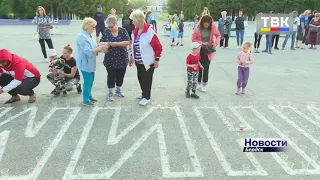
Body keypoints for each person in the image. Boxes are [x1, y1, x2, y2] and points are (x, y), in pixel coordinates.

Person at [128, 10, 163, 106]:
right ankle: (144, 93)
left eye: (133, 20)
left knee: (147, 79)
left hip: (148, 61)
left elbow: (158, 46)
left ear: (139, 20)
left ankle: (146, 97)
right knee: (140, 78)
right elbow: (133, 45)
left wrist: (157, 59)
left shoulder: (149, 31)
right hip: (138, 61)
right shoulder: (135, 31)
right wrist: (131, 56)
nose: (132, 22)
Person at [76, 17, 105, 106]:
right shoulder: (81, 36)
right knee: (88, 80)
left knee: (91, 80)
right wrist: (99, 48)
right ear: (87, 26)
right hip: (85, 62)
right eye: (93, 26)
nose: (94, 28)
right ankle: (85, 99)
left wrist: (100, 47)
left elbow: (93, 47)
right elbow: (88, 50)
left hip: (90, 62)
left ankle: (89, 96)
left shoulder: (88, 35)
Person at [100, 17, 130, 101]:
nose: (110, 28)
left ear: (116, 24)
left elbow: (127, 42)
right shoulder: (106, 32)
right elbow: (101, 42)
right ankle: (110, 92)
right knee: (111, 76)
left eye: (111, 27)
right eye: (108, 27)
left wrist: (116, 44)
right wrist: (106, 44)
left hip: (122, 58)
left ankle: (118, 89)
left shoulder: (123, 30)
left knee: (120, 75)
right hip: (110, 59)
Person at [192, 15, 221, 92]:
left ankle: (204, 84)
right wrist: (201, 42)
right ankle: (198, 83)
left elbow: (218, 35)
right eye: (205, 24)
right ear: (202, 23)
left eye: (207, 25)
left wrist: (216, 43)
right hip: (199, 49)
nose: (206, 26)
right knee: (199, 67)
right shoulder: (197, 28)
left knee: (206, 67)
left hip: (208, 50)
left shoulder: (213, 27)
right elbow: (193, 39)